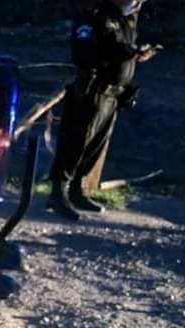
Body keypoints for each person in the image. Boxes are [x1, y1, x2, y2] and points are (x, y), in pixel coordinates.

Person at [48, 0, 159, 220]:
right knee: (76, 142)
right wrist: (124, 52)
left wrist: (136, 54)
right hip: (92, 90)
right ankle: (58, 193)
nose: (136, 3)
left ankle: (77, 190)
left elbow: (122, 48)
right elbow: (84, 51)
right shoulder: (95, 15)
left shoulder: (125, 19)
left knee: (94, 145)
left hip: (113, 92)